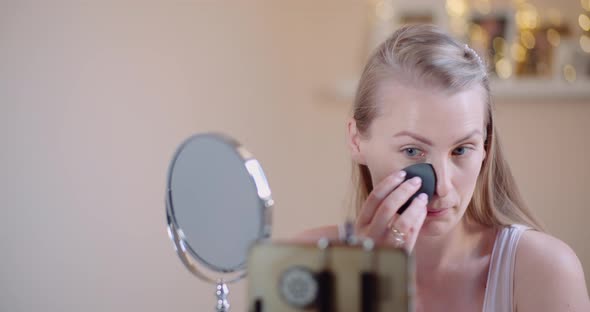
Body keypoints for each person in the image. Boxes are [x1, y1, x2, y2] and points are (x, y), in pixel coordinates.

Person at [294, 24, 590, 311]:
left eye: (461, 150)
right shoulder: (303, 266)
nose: (444, 186)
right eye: (412, 151)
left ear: (486, 147)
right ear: (357, 140)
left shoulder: (544, 271)